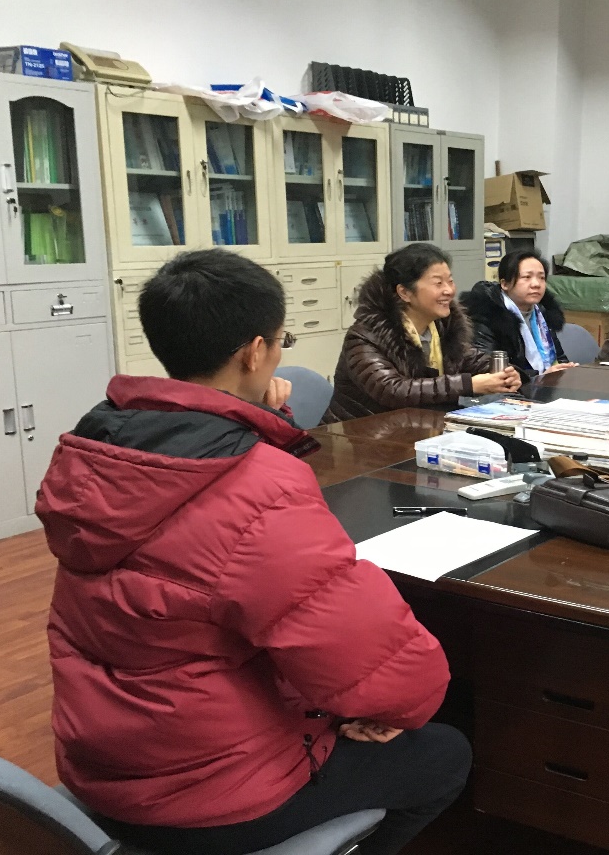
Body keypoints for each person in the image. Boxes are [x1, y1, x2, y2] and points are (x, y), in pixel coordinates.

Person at [35, 249, 471, 855]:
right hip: (212, 795)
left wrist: (257, 421)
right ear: (254, 351)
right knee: (447, 750)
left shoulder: (101, 454)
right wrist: (398, 708)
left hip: (105, 766)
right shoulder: (255, 488)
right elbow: (386, 671)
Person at [324, 243, 520, 422]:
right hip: (356, 435)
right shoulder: (365, 336)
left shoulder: (441, 326)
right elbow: (394, 391)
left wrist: (506, 374)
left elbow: (468, 358)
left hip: (411, 429)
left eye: (450, 281)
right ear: (405, 293)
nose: (449, 291)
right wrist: (470, 384)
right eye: (438, 283)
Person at [460, 249, 579, 382]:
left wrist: (565, 368)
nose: (536, 284)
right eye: (527, 277)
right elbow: (490, 370)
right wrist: (540, 376)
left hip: (544, 386)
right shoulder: (487, 316)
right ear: (505, 284)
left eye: (541, 278)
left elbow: (559, 358)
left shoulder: (541, 312)